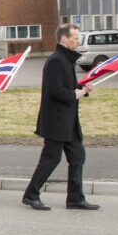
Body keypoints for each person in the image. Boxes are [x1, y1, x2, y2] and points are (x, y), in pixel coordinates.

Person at [23, 24, 99, 211]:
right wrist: (75, 94)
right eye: (75, 38)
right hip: (56, 121)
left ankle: (75, 198)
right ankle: (31, 195)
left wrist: (83, 88)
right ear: (64, 39)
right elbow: (54, 91)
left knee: (78, 156)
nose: (77, 42)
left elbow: (69, 85)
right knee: (51, 159)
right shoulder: (56, 61)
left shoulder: (66, 60)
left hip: (68, 122)